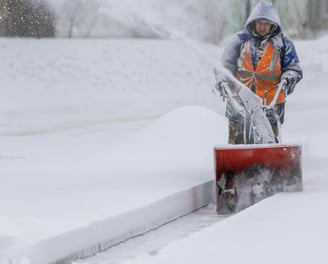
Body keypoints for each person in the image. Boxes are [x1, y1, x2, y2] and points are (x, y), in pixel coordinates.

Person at [218, 1, 303, 144]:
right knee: (238, 139)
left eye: (266, 23)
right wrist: (222, 79)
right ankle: (237, 161)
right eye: (259, 23)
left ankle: (269, 163)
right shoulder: (239, 40)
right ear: (253, 22)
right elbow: (225, 65)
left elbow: (293, 68)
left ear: (273, 24)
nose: (262, 27)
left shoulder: (283, 44)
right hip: (240, 100)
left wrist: (289, 77)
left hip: (270, 103)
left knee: (269, 140)